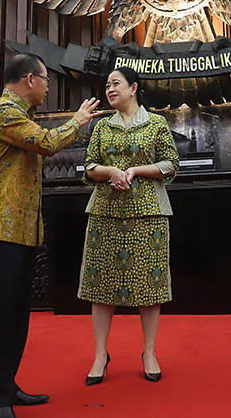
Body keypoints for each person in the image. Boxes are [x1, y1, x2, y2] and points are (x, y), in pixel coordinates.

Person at [0, 53, 102, 418]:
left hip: (21, 230)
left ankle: (7, 385)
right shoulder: (3, 110)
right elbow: (46, 143)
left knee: (15, 315)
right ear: (30, 79)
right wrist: (76, 121)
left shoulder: (20, 114)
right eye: (46, 80)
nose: (48, 88)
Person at [80, 67, 179, 386]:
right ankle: (100, 354)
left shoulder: (156, 123)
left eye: (116, 84)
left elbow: (171, 164)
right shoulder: (102, 127)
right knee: (101, 286)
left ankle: (149, 352)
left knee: (149, 288)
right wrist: (109, 171)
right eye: (107, 85)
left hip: (147, 213)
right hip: (105, 213)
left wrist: (135, 170)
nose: (110, 89)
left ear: (133, 88)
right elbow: (89, 166)